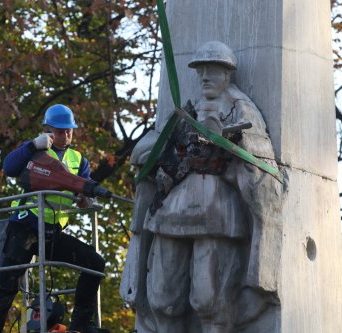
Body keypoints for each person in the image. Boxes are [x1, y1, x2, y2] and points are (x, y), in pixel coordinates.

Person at [122, 41, 284, 332]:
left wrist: (232, 144)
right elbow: (153, 143)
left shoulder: (241, 109)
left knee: (210, 302)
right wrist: (154, 151)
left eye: (213, 70)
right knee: (163, 298)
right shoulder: (189, 108)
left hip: (217, 213)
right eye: (201, 71)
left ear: (227, 75)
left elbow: (260, 161)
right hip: (172, 211)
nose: (205, 77)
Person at [0, 104, 107, 333]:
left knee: (94, 263)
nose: (66, 135)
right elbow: (9, 168)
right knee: (7, 287)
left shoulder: (78, 160)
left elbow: (82, 188)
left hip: (51, 232)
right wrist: (31, 145)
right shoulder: (36, 150)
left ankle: (80, 325)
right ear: (47, 130)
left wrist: (84, 200)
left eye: (69, 130)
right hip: (24, 227)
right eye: (60, 131)